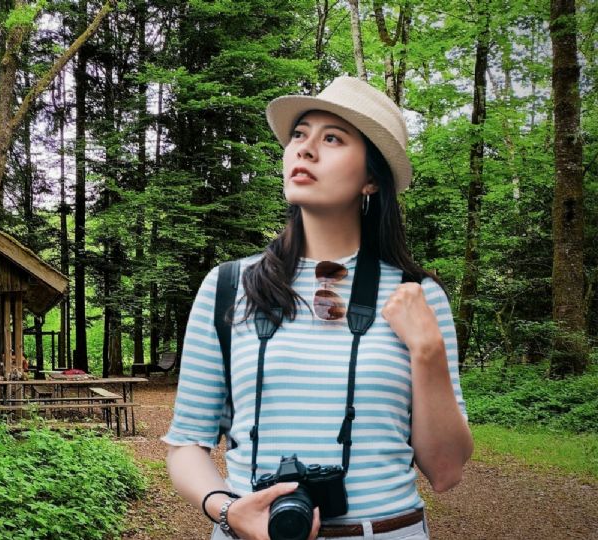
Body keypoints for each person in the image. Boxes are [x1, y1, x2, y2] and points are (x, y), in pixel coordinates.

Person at [163, 76, 472, 540]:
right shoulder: (229, 286)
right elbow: (187, 442)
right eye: (299, 135)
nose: (305, 150)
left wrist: (427, 350)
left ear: (371, 178)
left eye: (332, 138)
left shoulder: (416, 295)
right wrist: (226, 508)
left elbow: (446, 470)